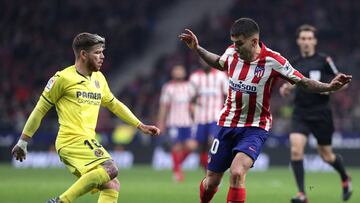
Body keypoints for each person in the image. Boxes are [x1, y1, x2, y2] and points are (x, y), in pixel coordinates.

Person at [178, 17, 352, 203]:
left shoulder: (273, 60)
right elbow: (219, 62)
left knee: (237, 173)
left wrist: (328, 87)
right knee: (211, 182)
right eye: (233, 43)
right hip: (226, 124)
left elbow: (303, 82)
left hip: (255, 127)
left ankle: (306, 191)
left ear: (254, 41)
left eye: (239, 43)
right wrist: (197, 49)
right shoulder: (231, 53)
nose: (235, 47)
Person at [11, 32, 160, 203]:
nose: (102, 56)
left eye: (102, 52)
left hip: (85, 140)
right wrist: (23, 141)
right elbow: (40, 110)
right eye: (97, 52)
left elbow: (114, 104)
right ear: (83, 54)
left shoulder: (99, 78)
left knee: (112, 185)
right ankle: (61, 201)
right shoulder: (62, 78)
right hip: (71, 140)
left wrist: (139, 125)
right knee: (110, 168)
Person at [279, 24, 352, 203]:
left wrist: (330, 89)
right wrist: (286, 88)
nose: (306, 42)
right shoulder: (294, 63)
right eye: (303, 38)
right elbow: (291, 83)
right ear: (298, 41)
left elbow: (344, 82)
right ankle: (302, 194)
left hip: (321, 114)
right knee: (296, 150)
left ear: (315, 41)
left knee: (327, 156)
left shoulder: (324, 60)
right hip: (300, 113)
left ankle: (344, 178)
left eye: (309, 38)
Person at [157, 64, 195, 182]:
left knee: (191, 146)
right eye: (176, 70)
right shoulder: (168, 87)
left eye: (180, 70)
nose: (178, 72)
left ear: (184, 72)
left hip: (187, 122)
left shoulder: (189, 87)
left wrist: (195, 116)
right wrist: (160, 122)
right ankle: (177, 173)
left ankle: (177, 166)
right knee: (177, 147)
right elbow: (164, 106)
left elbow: (194, 104)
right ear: (172, 73)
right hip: (173, 122)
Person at [189, 59, 228, 170]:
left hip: (216, 117)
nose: (205, 62)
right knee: (201, 147)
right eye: (203, 61)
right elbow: (191, 98)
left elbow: (227, 95)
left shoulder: (221, 76)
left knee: (213, 141)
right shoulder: (195, 77)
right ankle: (207, 172)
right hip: (200, 118)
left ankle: (215, 169)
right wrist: (192, 111)